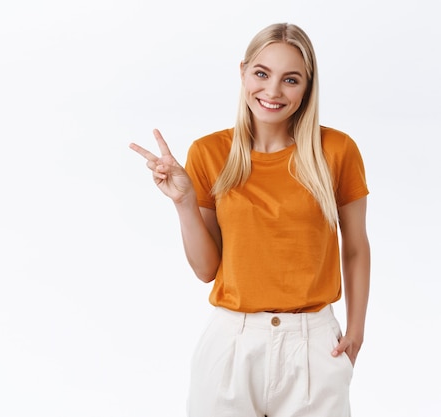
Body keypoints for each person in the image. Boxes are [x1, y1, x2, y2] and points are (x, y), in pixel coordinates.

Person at [129, 22, 370, 417]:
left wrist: (357, 330)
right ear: (243, 72)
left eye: (290, 80)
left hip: (314, 346)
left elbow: (356, 247)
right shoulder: (209, 153)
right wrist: (184, 202)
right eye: (262, 73)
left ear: (308, 86)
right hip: (231, 346)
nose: (273, 91)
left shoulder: (337, 151)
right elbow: (207, 269)